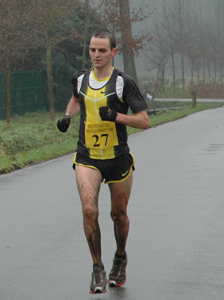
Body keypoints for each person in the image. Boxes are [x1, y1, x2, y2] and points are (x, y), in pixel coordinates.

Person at [56, 29, 149, 294]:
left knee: (117, 214)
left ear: (113, 52)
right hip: (88, 157)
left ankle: (120, 257)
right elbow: (76, 98)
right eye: (92, 50)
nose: (96, 55)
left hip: (118, 158)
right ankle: (97, 267)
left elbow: (144, 120)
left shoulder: (123, 83)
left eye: (102, 51)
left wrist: (116, 116)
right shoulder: (80, 78)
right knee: (89, 210)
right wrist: (68, 116)